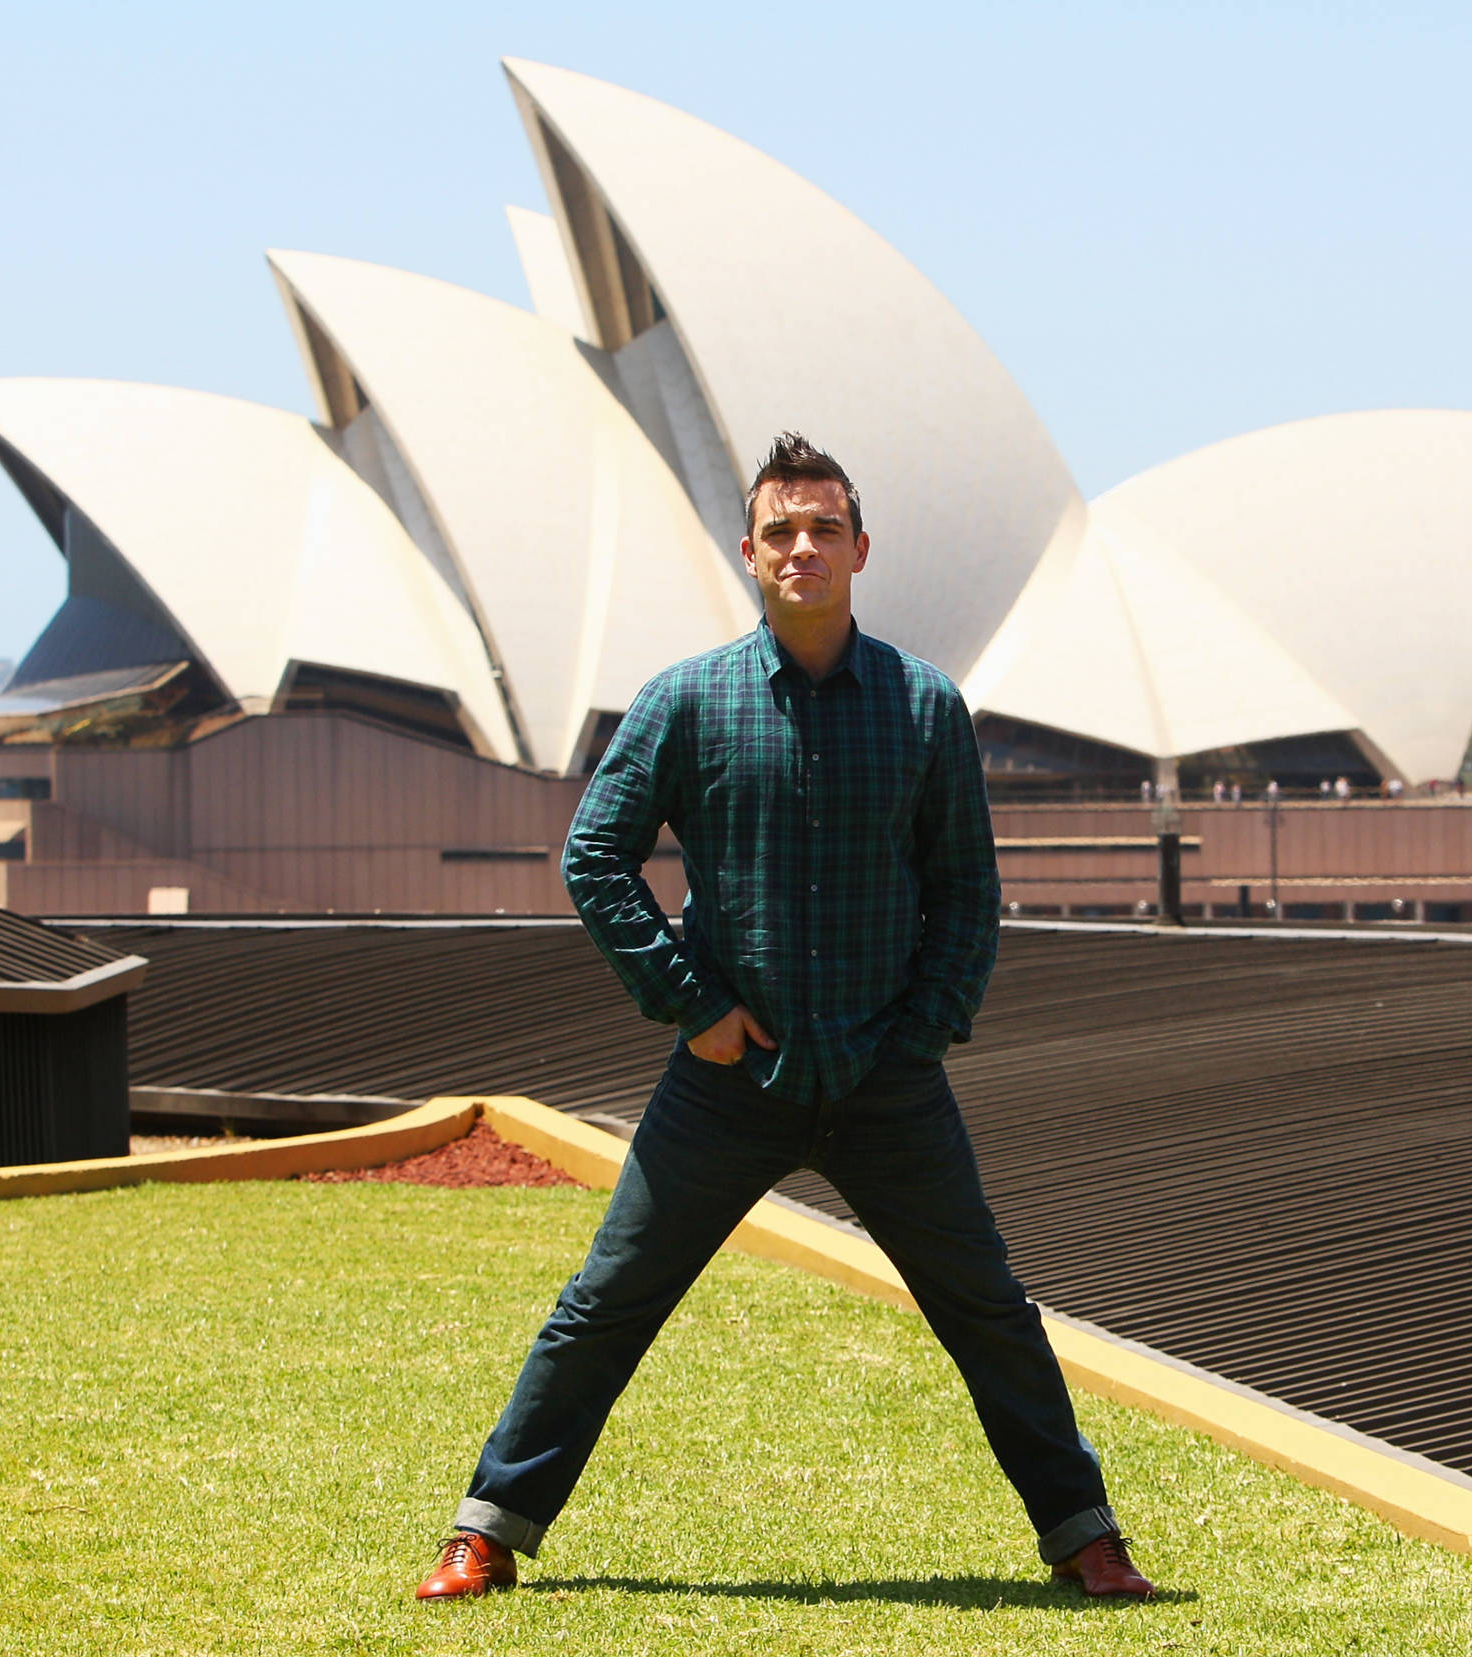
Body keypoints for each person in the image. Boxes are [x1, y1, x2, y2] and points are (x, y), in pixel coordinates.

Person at [415, 433, 1155, 1603]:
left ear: (860, 549)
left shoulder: (923, 706)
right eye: (779, 532)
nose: (801, 548)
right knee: (607, 1303)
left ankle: (1083, 1535)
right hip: (728, 1079)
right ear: (749, 555)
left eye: (822, 529)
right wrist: (692, 1004)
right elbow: (593, 858)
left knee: (989, 1310)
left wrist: (921, 1031)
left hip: (885, 1081)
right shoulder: (688, 701)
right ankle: (488, 1529)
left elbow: (968, 890)